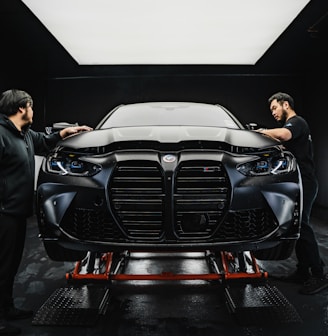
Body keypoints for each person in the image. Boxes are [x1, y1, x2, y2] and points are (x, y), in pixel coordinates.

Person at [0, 89, 93, 335]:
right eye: (30, 107)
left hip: (18, 211)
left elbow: (44, 140)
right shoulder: (1, 135)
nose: (32, 111)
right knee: (1, 265)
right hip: (3, 213)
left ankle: (7, 309)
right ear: (22, 108)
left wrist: (66, 133)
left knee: (9, 266)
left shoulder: (25, 134)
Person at [256, 92, 327, 295]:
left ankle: (318, 274)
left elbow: (283, 135)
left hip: (305, 182)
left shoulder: (296, 122)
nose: (273, 113)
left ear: (285, 104)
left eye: (275, 108)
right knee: (296, 225)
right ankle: (303, 272)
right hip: (299, 181)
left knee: (302, 225)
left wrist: (262, 131)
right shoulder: (295, 125)